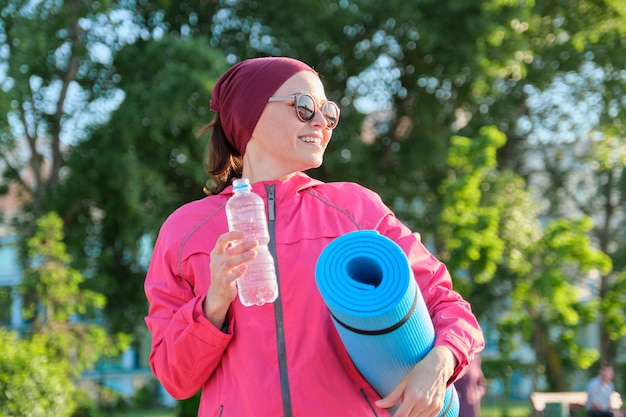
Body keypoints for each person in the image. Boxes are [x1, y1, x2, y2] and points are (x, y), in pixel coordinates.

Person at [144, 56, 485, 417]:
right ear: (250, 115)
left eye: (328, 111)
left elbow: (447, 306)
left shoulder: (356, 209)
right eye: (304, 107)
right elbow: (174, 378)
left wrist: (439, 365)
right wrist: (213, 304)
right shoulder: (185, 231)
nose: (322, 122)